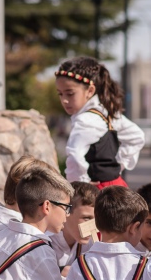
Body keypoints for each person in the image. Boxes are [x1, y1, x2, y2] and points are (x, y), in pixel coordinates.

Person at [56, 56, 145, 188]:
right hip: (117, 186)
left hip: (97, 192)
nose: (64, 100)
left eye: (70, 93)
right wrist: (117, 166)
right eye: (60, 94)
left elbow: (75, 156)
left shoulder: (85, 120)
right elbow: (136, 136)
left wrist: (79, 184)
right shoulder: (106, 112)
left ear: (90, 91)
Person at [50, 182, 100, 274]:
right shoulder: (45, 242)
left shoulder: (90, 245)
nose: (93, 226)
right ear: (67, 212)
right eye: (87, 218)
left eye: (97, 219)